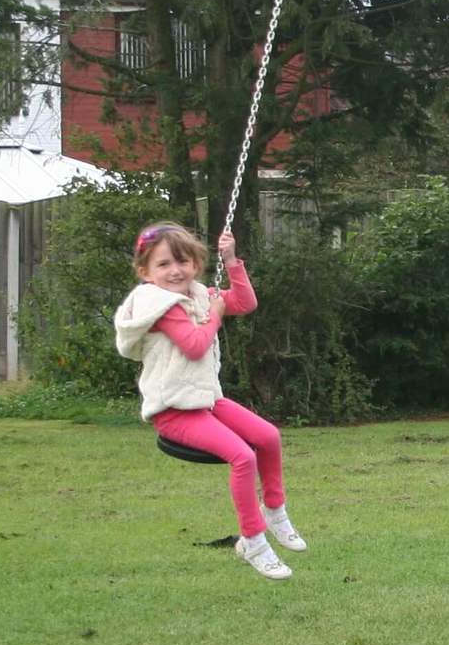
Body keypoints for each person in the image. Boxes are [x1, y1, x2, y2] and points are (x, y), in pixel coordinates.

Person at [114, 222, 307, 579]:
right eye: (164, 264)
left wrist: (232, 261)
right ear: (145, 272)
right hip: (173, 409)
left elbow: (246, 303)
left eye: (183, 262)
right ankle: (253, 540)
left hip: (204, 399)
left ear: (196, 263)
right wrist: (215, 316)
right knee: (243, 456)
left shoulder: (196, 293)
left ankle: (275, 511)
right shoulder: (160, 304)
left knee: (268, 437)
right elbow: (194, 345)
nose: (176, 271)